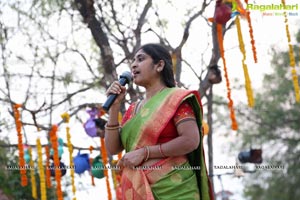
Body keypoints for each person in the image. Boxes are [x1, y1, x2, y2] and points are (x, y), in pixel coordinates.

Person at [105, 43, 213, 200]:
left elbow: (190, 140)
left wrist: (145, 152)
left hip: (176, 190)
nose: (133, 64)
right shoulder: (133, 109)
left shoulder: (176, 99)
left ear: (159, 65)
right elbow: (112, 148)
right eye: (133, 61)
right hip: (137, 189)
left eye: (140, 59)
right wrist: (114, 107)